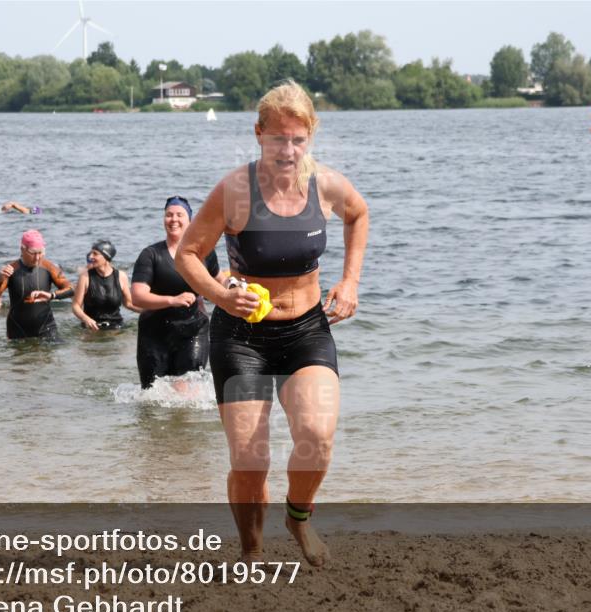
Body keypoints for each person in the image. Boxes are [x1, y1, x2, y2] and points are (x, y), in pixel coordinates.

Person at [175, 81, 369, 566]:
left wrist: (349, 282)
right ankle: (252, 550)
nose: (288, 149)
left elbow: (359, 214)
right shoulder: (235, 190)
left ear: (310, 137)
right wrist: (220, 294)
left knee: (317, 440)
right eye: (277, 138)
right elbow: (188, 255)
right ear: (258, 134)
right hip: (241, 338)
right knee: (250, 461)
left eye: (298, 139)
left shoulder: (325, 185)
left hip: (306, 331)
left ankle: (298, 519)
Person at [131, 196, 224, 388]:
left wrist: (234, 288)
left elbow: (219, 279)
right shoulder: (151, 255)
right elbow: (138, 296)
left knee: (187, 389)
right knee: (152, 395)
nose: (173, 219)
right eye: (169, 215)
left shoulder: (204, 252)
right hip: (154, 333)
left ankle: (184, 419)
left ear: (190, 220)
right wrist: (172, 300)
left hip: (193, 329)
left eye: (179, 215)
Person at [0, 230, 73, 340]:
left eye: (40, 253)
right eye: (33, 253)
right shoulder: (12, 269)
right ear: (22, 249)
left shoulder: (48, 267)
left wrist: (52, 295)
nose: (37, 258)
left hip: (47, 328)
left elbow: (71, 289)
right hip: (17, 329)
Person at [72, 240, 140, 330]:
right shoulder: (85, 277)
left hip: (116, 326)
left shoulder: (121, 276)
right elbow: (76, 306)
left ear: (106, 257)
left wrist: (150, 311)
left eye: (95, 254)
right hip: (92, 328)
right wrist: (86, 319)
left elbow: (129, 303)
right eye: (91, 253)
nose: (91, 257)